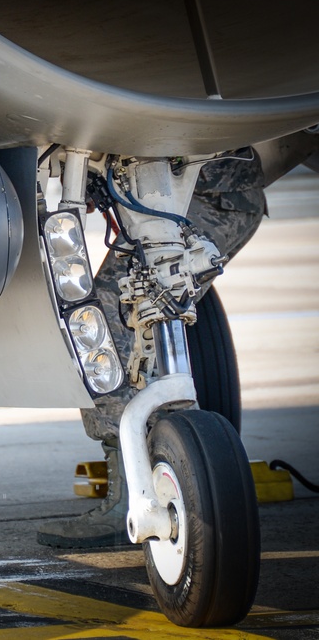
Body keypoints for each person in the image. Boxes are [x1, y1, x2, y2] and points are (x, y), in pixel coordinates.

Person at [36, 152, 268, 549]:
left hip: (200, 200)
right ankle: (174, 468)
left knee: (99, 332)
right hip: (208, 194)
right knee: (130, 320)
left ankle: (132, 495)